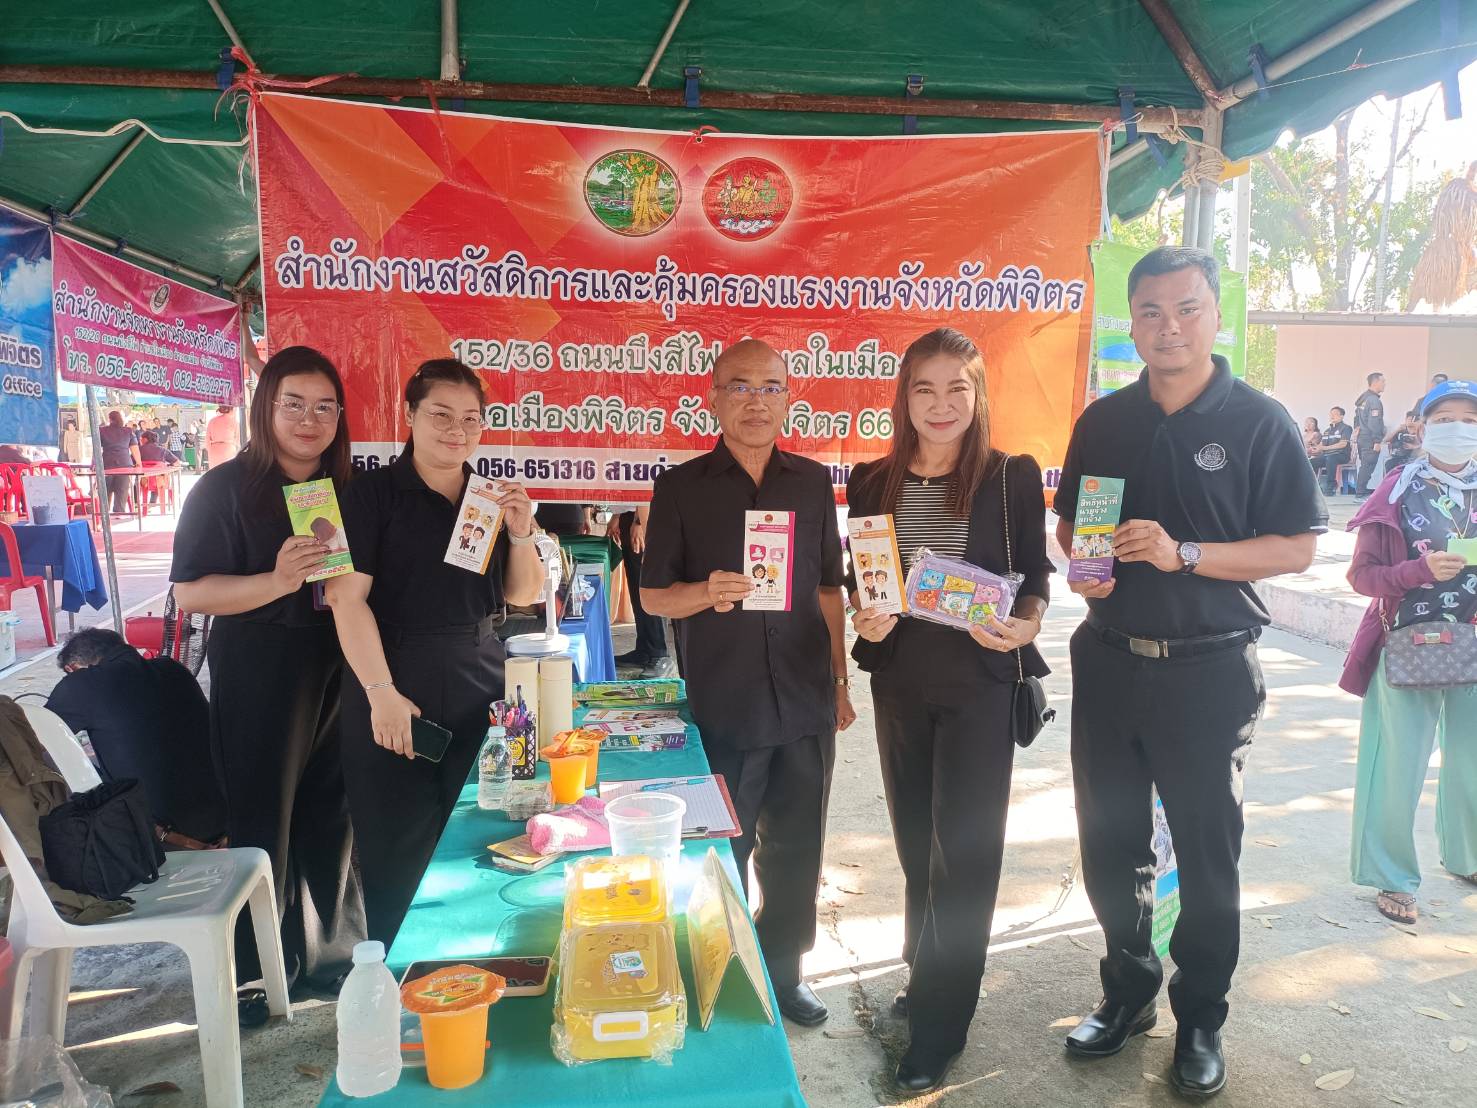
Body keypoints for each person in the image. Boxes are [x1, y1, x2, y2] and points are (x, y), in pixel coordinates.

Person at [1054, 247, 1325, 1099]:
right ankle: (1126, 991)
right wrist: (1086, 567)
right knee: (1110, 843)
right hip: (1108, 662)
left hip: (1209, 673)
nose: (1167, 327)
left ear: (1213, 314)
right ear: (1130, 320)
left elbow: (1296, 548)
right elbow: (1072, 525)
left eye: (1185, 308)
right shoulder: (1103, 421)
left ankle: (1200, 1017)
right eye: (1150, 311)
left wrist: (1185, 554)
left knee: (1207, 855)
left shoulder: (1258, 420)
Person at [847, 327, 1052, 1093]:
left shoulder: (1007, 477)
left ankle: (938, 1030)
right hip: (899, 682)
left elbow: (1035, 575)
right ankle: (922, 972)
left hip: (979, 685)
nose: (940, 405)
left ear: (977, 396)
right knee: (915, 845)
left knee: (963, 856)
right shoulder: (872, 481)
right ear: (903, 398)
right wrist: (868, 620)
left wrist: (1025, 625)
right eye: (924, 389)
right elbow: (866, 578)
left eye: (955, 389)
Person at [640, 338, 854, 1028]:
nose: (755, 402)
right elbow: (652, 596)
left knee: (798, 849)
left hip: (803, 702)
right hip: (724, 705)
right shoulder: (680, 488)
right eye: (739, 386)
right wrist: (705, 591)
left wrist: (839, 681)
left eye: (769, 387)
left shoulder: (811, 483)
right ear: (713, 398)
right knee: (720, 850)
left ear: (789, 398)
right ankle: (718, 969)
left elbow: (828, 589)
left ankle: (785, 971)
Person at [170, 346, 366, 1011]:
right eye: (294, 404)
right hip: (260, 670)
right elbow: (191, 593)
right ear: (266, 408)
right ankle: (256, 969)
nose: (309, 420)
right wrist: (276, 581)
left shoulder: (349, 490)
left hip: (338, 663)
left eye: (324, 407)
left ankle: (327, 957)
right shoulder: (224, 489)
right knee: (262, 818)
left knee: (331, 812)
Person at [327, 359, 542, 946]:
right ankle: (406, 981)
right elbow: (345, 599)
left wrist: (522, 531)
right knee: (398, 848)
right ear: (409, 415)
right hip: (394, 678)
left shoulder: (487, 497)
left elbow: (521, 594)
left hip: (482, 675)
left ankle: (483, 966)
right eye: (441, 415)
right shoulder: (367, 494)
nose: (457, 430)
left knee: (488, 833)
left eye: (471, 419)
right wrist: (381, 694)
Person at [1341, 378, 1477, 926]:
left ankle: (1468, 856)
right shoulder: (1397, 490)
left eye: (1470, 420)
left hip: (1475, 647)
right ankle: (1392, 875)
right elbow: (1362, 576)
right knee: (1397, 765)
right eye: (1445, 419)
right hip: (1408, 645)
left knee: (1472, 762)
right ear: (1422, 427)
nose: (1458, 429)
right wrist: (1419, 571)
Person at [45, 628, 225, 847]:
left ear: (72, 668)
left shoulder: (80, 684)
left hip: (167, 836)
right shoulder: (173, 668)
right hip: (227, 816)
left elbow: (33, 739)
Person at [610, 503, 671, 676]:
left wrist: (639, 521)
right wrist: (618, 515)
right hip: (629, 516)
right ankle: (645, 649)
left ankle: (659, 654)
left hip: (643, 517)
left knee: (649, 585)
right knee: (637, 588)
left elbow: (646, 491)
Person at [97, 410, 141, 514]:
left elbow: (96, 449)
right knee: (122, 490)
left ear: (110, 419)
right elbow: (134, 448)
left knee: (105, 489)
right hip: (125, 463)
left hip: (107, 464)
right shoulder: (128, 431)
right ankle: (119, 513)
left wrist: (95, 464)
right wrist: (139, 463)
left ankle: (105, 513)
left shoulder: (101, 431)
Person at [1353, 372, 1388, 500]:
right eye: (1383, 381)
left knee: (1365, 465)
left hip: (1362, 437)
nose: (1385, 384)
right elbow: (1375, 421)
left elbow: (1356, 418)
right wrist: (1377, 441)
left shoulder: (1363, 398)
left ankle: (1361, 490)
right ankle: (1360, 493)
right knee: (1368, 466)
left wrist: (1357, 429)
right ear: (1375, 382)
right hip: (1370, 438)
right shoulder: (1374, 400)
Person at [1311, 406, 1353, 495]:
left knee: (1330, 459)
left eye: (1335, 414)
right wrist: (1315, 448)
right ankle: (1314, 486)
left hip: (1341, 455)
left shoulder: (1346, 428)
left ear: (1341, 416)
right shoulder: (1327, 430)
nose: (1332, 416)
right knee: (1310, 462)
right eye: (1331, 414)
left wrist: (1324, 448)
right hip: (1327, 455)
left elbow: (1343, 444)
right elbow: (1322, 445)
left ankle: (1331, 486)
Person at [205, 404, 240, 469]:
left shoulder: (212, 421)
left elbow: (207, 440)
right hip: (229, 450)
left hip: (214, 450)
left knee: (215, 472)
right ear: (231, 409)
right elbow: (238, 440)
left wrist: (210, 450)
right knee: (228, 472)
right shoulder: (234, 422)